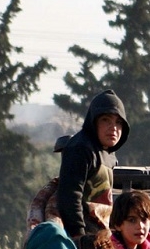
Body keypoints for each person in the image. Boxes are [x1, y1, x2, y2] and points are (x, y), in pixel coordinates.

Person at [54, 89, 129, 239]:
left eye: (118, 122)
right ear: (93, 121)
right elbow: (70, 196)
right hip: (81, 239)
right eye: (106, 120)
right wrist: (79, 237)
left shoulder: (108, 155)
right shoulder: (81, 148)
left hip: (99, 236)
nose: (113, 127)